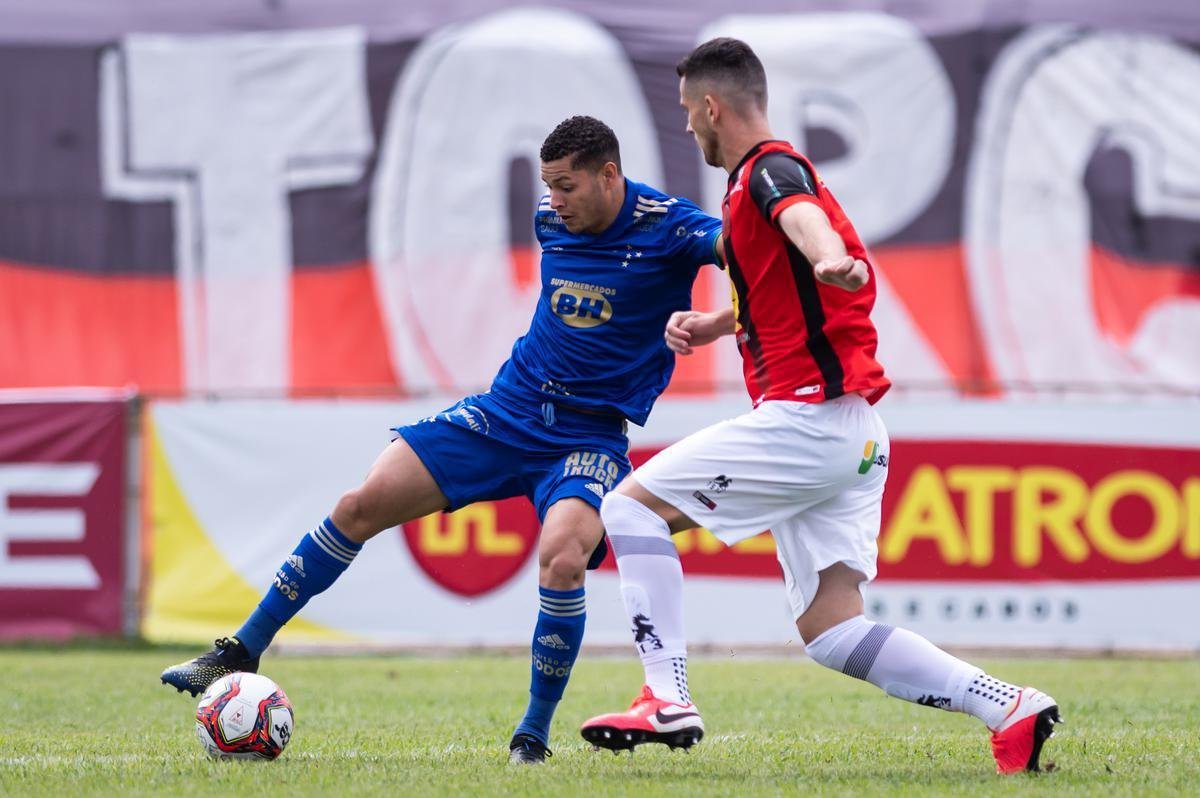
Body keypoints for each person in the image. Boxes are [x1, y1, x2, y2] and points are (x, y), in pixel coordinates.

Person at [160, 115, 723, 765]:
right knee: (358, 505)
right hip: (507, 410)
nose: (554, 202)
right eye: (548, 186)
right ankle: (239, 650)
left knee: (564, 557)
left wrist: (717, 320)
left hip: (587, 435)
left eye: (567, 186)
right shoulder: (552, 223)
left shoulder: (672, 227)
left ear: (609, 175)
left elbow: (750, 252)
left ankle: (531, 736)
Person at [578, 38, 1062, 775]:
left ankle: (664, 696)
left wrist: (827, 252)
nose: (686, 129)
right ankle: (1008, 706)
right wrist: (719, 321)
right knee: (831, 631)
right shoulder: (752, 186)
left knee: (629, 510)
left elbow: (804, 220)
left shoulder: (767, 169)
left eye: (686, 113)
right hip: (853, 433)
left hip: (807, 421)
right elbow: (781, 284)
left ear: (711, 107)